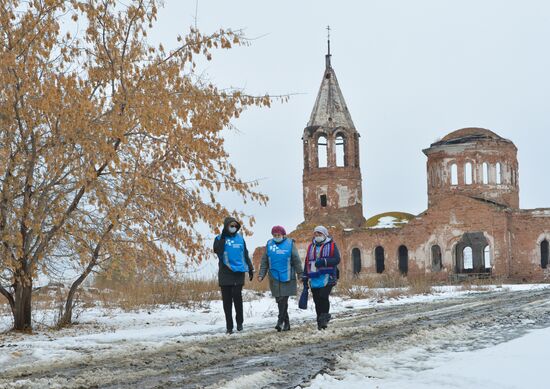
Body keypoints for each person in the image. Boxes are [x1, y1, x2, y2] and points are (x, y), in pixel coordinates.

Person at [213, 217, 254, 334]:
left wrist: (250, 268)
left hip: (239, 272)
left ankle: (239, 321)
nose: (233, 228)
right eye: (231, 226)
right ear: (226, 226)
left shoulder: (240, 239)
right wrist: (223, 238)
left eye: (235, 226)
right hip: (225, 272)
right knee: (227, 301)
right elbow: (217, 250)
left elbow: (245, 254)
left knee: (237, 296)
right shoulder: (219, 238)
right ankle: (229, 326)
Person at [258, 226, 302, 332]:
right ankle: (286, 323)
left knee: (283, 299)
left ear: (283, 235)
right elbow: (264, 261)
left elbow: (296, 260)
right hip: (274, 276)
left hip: (287, 276)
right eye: (274, 235)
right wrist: (261, 274)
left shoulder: (290, 244)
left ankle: (280, 321)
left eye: (278, 235)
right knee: (279, 301)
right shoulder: (269, 244)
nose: (276, 237)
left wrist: (300, 273)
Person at [302, 225, 340, 330]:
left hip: (327, 276)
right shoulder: (311, 246)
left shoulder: (332, 245)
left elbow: (337, 259)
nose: (317, 236)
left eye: (320, 234)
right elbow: (307, 262)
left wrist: (324, 262)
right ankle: (320, 321)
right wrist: (305, 276)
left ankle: (325, 318)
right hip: (314, 277)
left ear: (325, 235)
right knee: (317, 300)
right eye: (316, 234)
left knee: (323, 296)